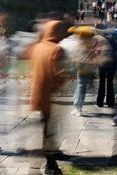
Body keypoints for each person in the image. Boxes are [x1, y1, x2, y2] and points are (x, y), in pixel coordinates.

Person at [29, 20, 69, 175]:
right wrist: (65, 77)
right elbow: (57, 74)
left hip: (38, 93)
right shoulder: (56, 49)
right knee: (49, 131)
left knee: (48, 127)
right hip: (51, 95)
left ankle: (52, 155)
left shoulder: (38, 46)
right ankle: (50, 165)